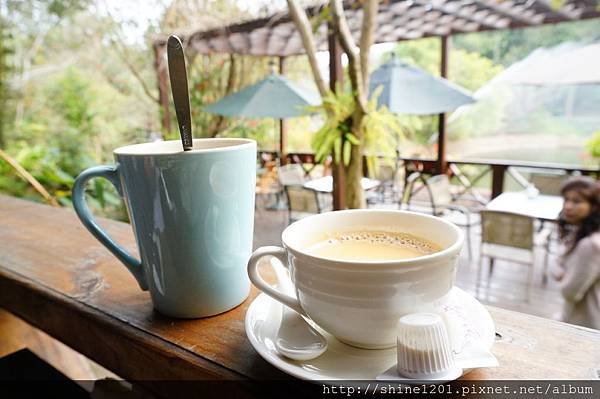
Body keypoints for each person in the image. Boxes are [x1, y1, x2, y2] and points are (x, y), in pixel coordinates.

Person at [553, 176, 600, 330]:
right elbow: (559, 260)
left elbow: (570, 292)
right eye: (566, 200)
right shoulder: (582, 232)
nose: (567, 206)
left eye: (576, 201)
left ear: (594, 206)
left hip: (586, 323)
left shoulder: (590, 245)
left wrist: (562, 273)